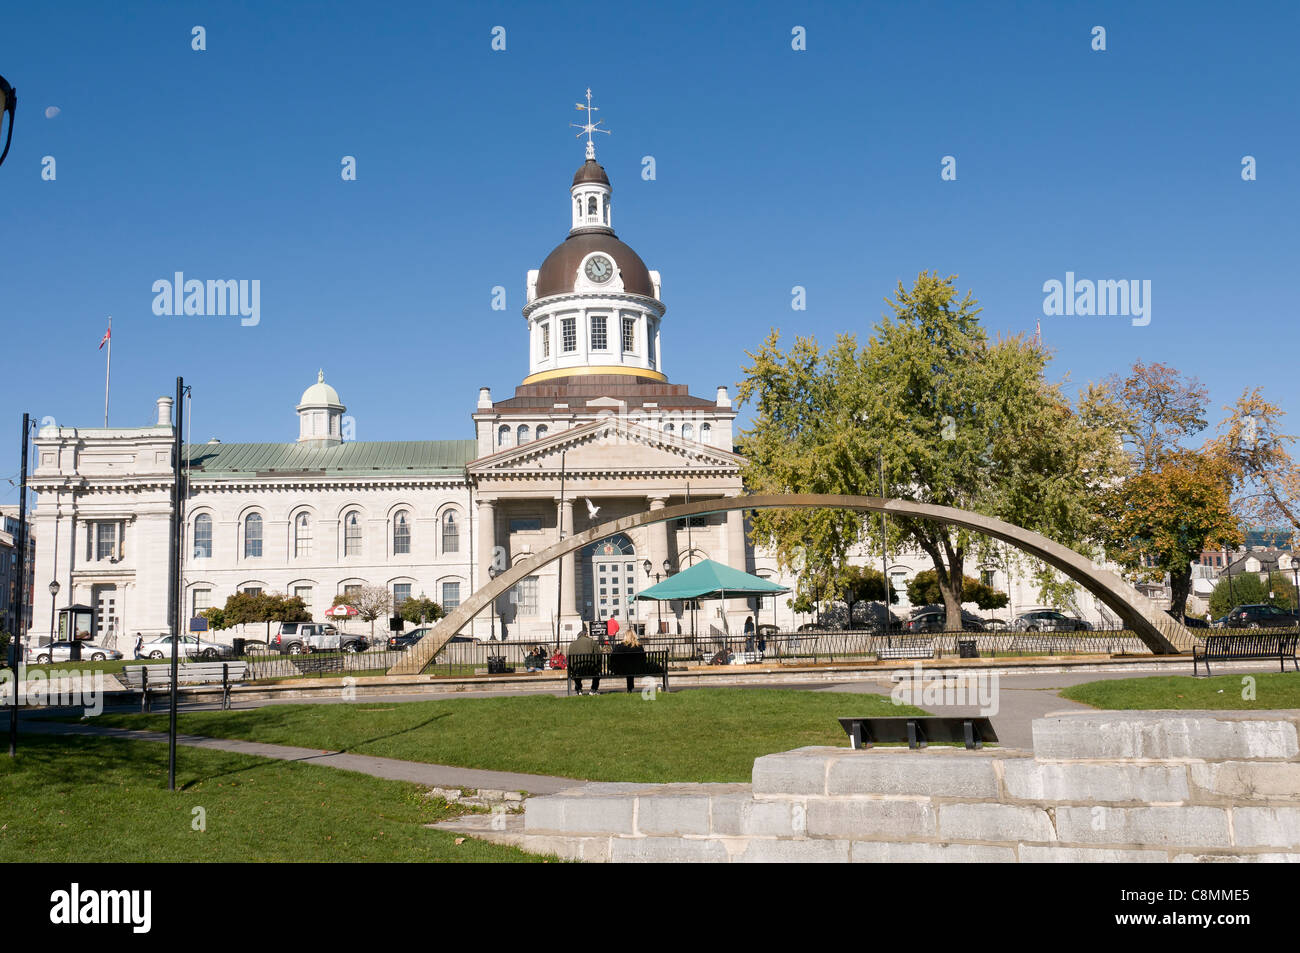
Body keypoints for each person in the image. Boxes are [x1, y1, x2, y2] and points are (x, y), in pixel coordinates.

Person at [566, 628, 601, 695]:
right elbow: (598, 656)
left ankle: (579, 689)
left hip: (577, 670)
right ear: (586, 635)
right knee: (597, 671)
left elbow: (569, 659)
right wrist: (596, 665)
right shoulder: (592, 642)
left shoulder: (572, 644)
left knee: (576, 670)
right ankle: (593, 689)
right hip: (590, 669)